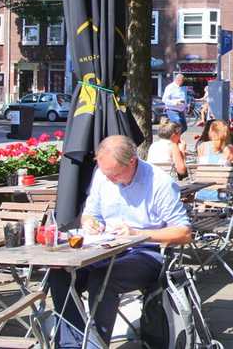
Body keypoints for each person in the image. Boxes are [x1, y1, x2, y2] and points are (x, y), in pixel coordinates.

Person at [55, 135, 192, 349]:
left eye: (115, 175)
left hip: (146, 253)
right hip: (104, 249)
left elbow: (184, 232)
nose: (109, 179)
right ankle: (71, 344)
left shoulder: (159, 183)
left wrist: (138, 234)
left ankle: (95, 346)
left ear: (132, 162)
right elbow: (90, 213)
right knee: (59, 273)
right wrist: (90, 222)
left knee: (102, 279)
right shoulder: (102, 174)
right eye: (105, 173)